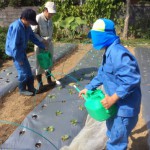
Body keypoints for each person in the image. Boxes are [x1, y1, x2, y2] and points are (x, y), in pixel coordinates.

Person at [79, 18, 141, 149]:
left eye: (95, 36)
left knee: (117, 142)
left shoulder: (118, 54)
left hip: (124, 108)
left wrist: (113, 98)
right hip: (114, 106)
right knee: (112, 132)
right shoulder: (108, 51)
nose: (93, 40)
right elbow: (102, 74)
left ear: (104, 35)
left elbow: (132, 80)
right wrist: (89, 88)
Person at [5, 9, 45, 96]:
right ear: (24, 18)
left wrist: (42, 46)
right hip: (15, 52)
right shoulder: (17, 27)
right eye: (29, 22)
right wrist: (18, 59)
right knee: (23, 71)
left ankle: (30, 87)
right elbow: (13, 46)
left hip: (22, 50)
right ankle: (22, 89)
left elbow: (33, 37)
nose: (30, 24)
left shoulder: (27, 26)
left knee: (28, 70)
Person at [31, 1, 56, 92]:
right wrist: (42, 40)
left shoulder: (50, 19)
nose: (51, 15)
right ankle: (41, 84)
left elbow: (50, 32)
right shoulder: (38, 18)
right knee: (40, 64)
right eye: (50, 13)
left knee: (49, 62)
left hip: (48, 43)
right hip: (40, 45)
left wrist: (48, 40)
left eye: (53, 13)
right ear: (45, 10)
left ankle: (49, 81)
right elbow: (33, 33)